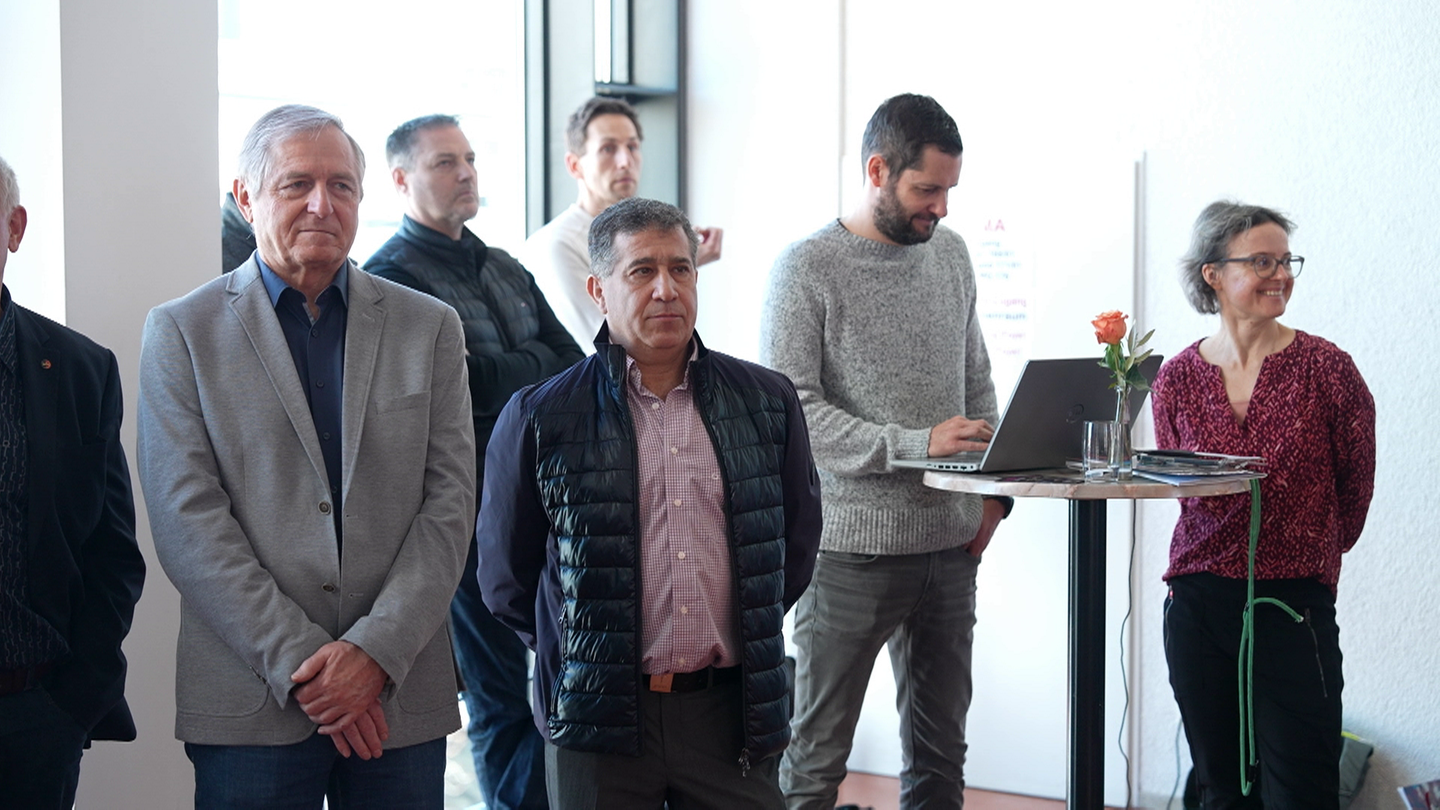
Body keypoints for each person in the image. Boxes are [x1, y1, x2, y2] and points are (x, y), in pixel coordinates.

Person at [137, 105, 477, 809]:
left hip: (397, 697)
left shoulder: (430, 327)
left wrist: (374, 654)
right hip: (251, 702)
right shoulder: (182, 332)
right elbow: (187, 520)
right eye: (297, 184)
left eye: (341, 185)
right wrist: (307, 665)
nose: (323, 204)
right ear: (246, 198)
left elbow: (449, 506)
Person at [477, 197, 822, 809]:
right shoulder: (540, 416)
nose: (666, 289)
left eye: (680, 269)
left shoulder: (767, 402)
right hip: (597, 718)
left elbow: (792, 550)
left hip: (732, 715)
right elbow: (507, 578)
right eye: (642, 271)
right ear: (599, 291)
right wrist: (582, 648)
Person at [761, 93, 1013, 810]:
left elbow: (977, 383)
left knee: (940, 761)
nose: (942, 208)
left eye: (949, 190)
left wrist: (993, 498)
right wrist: (913, 445)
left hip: (951, 546)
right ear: (878, 170)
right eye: (927, 189)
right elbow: (794, 414)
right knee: (815, 761)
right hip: (848, 554)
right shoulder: (805, 269)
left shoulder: (951, 254)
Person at [365, 113, 583, 810]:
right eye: (444, 163)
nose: (466, 174)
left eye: (469, 159)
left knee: (566, 674)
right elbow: (459, 388)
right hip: (465, 515)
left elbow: (571, 362)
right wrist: (525, 367)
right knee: (497, 692)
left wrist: (503, 372)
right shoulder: (389, 279)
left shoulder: (504, 265)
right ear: (401, 180)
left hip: (547, 501)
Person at [1153, 201, 1375, 809]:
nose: (1280, 275)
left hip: (1292, 606)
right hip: (1197, 606)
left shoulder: (1328, 370)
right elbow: (1184, 492)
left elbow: (1354, 491)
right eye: (1261, 262)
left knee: (1303, 792)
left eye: (1285, 261)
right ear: (1213, 274)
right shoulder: (1175, 379)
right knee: (1222, 791)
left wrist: (1301, 549)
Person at [0, 155, 146, 809]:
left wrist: (73, 704)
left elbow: (113, 554)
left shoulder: (82, 369)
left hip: (34, 718)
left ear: (14, 228)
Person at [520, 96, 724, 349]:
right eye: (608, 149)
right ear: (574, 165)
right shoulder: (554, 245)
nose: (625, 161)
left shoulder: (644, 237)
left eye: (632, 147)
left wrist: (684, 260)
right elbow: (605, 345)